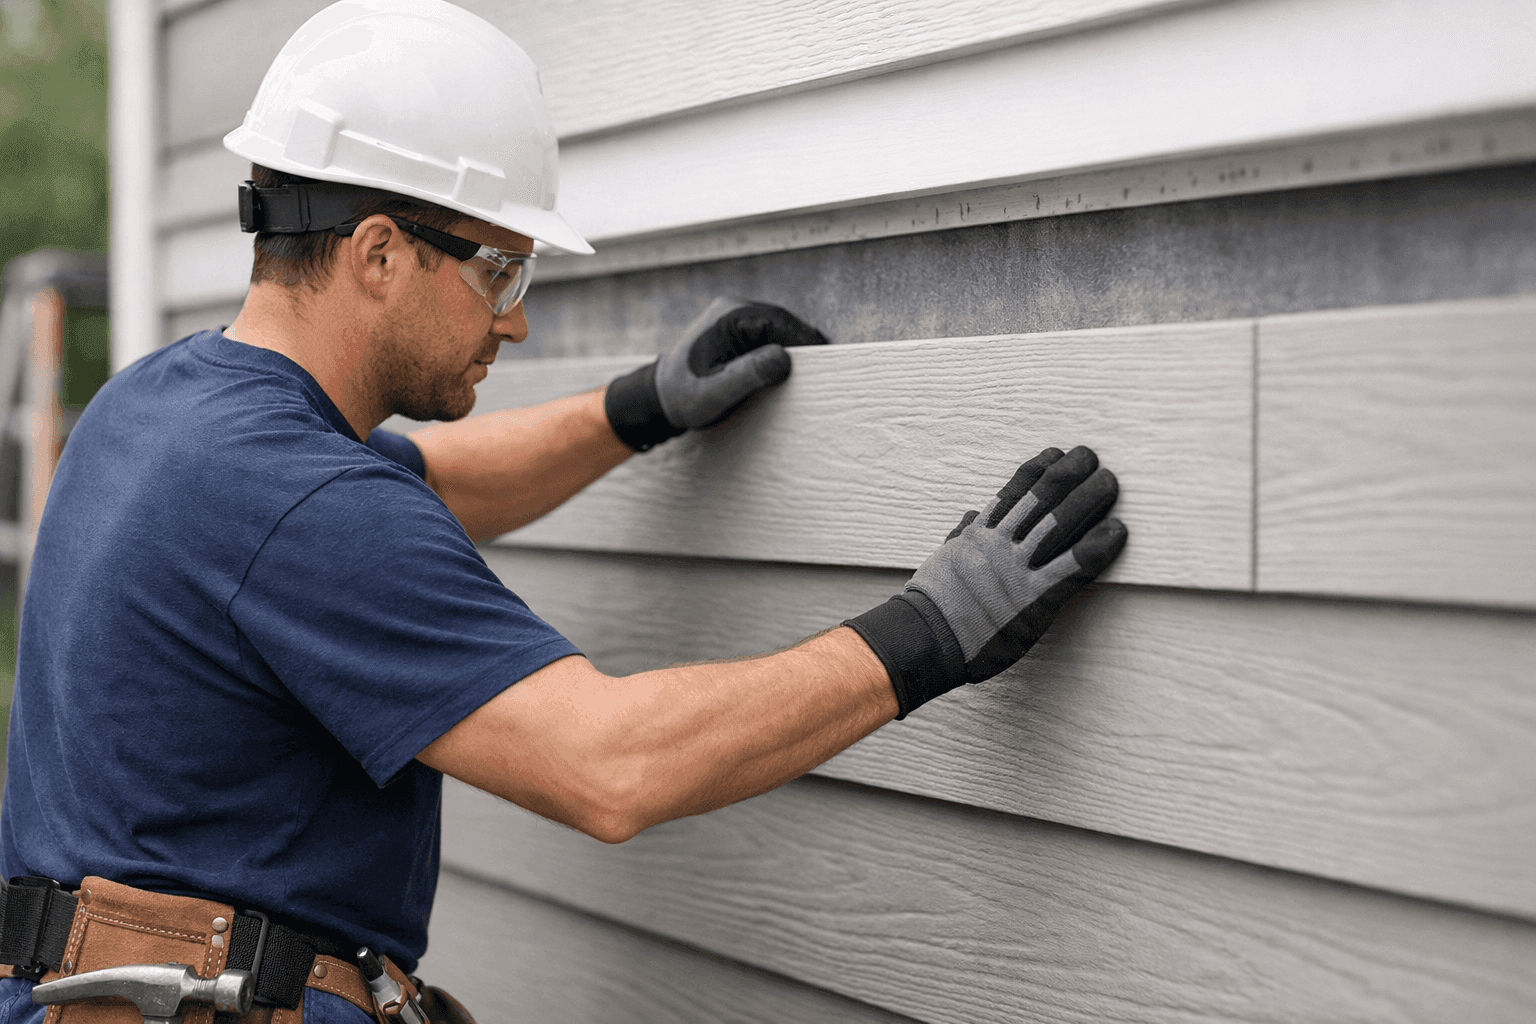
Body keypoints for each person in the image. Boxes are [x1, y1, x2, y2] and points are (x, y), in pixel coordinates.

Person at [0, 1, 1127, 1022]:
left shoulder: (160, 409)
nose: (515, 320)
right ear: (380, 253)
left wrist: (637, 410)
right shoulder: (303, 500)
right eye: (498, 270)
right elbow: (610, 764)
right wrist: (932, 629)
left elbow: (428, 486)